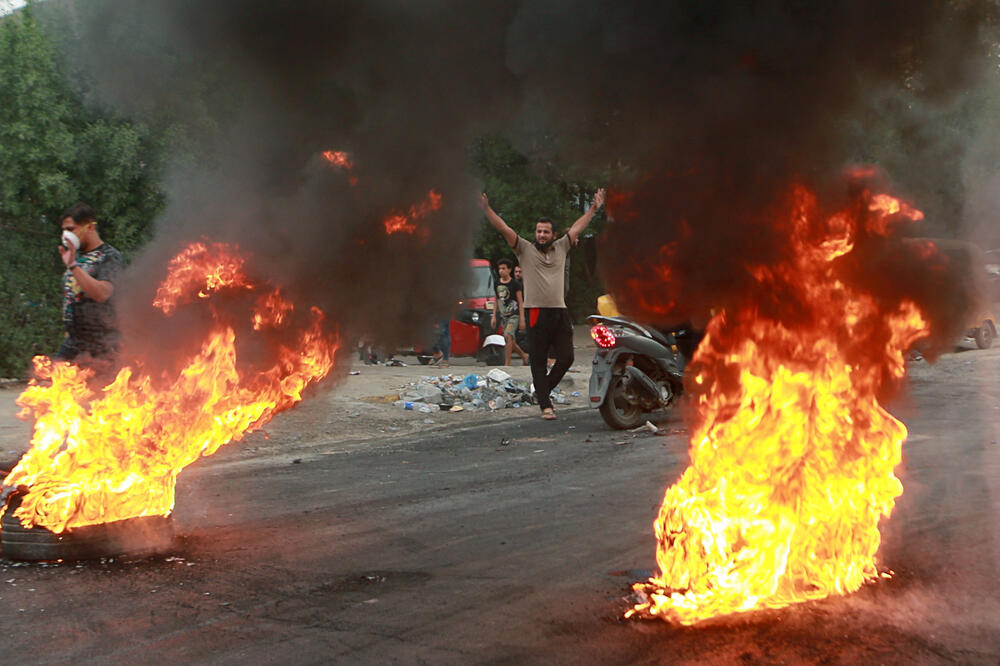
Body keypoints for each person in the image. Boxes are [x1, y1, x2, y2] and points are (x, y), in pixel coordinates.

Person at [478, 188, 606, 419]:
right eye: (539, 231)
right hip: (536, 311)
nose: (542, 235)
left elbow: (577, 227)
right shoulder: (524, 249)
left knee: (566, 357)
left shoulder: (562, 247)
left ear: (554, 234)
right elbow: (504, 228)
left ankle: (542, 390)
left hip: (559, 312)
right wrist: (487, 209)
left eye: (546, 231)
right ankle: (546, 406)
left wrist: (594, 208)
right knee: (538, 360)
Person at [56, 203, 124, 367]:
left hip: (101, 346)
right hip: (73, 343)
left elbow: (102, 293)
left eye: (71, 229)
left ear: (90, 227)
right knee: (47, 380)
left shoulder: (109, 256)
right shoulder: (75, 257)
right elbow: (71, 296)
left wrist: (73, 267)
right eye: (64, 230)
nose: (66, 235)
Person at [490, 258, 529, 366]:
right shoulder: (497, 283)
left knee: (508, 335)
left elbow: (520, 302)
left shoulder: (515, 284)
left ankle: (507, 363)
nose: (501, 271)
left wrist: (522, 318)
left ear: (509, 270)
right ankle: (524, 355)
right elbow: (496, 300)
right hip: (503, 315)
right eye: (499, 269)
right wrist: (494, 315)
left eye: (503, 268)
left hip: (514, 315)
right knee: (509, 339)